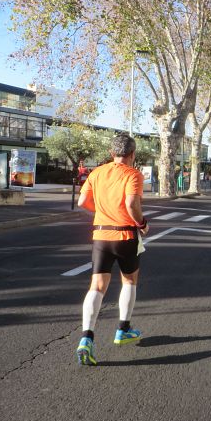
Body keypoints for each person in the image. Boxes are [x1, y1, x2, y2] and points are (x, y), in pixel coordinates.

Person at [75, 132, 150, 366]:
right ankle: (123, 330)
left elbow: (82, 202)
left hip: (100, 235)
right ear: (132, 154)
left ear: (111, 153)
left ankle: (86, 337)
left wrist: (103, 210)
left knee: (96, 286)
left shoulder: (96, 173)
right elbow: (131, 203)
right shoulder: (133, 174)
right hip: (125, 234)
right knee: (129, 281)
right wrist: (142, 223)